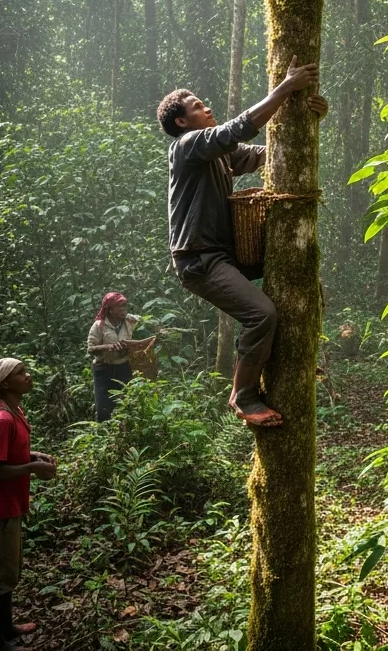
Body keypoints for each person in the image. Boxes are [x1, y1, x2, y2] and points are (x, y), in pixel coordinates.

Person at [157, 57, 327, 428]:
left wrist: (308, 118)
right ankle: (244, 394)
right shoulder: (188, 146)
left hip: (226, 254)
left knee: (297, 265)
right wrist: (285, 88)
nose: (208, 108)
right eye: (199, 107)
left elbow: (272, 154)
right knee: (260, 314)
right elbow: (239, 128)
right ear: (183, 122)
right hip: (200, 260)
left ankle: (295, 354)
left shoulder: (218, 155)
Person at [0, 357, 57, 651]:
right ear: (6, 383)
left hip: (8, 506)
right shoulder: (2, 418)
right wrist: (32, 469)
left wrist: (34, 456)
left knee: (6, 571)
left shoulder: (13, 410)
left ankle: (5, 628)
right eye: (21, 373)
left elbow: (10, 453)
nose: (28, 376)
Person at [86, 291, 154, 421]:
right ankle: (103, 435)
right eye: (119, 307)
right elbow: (90, 349)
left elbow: (146, 323)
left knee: (127, 404)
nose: (124, 309)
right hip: (103, 370)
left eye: (124, 306)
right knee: (103, 409)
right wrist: (108, 347)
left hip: (124, 367)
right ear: (110, 310)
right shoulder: (99, 326)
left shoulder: (129, 320)